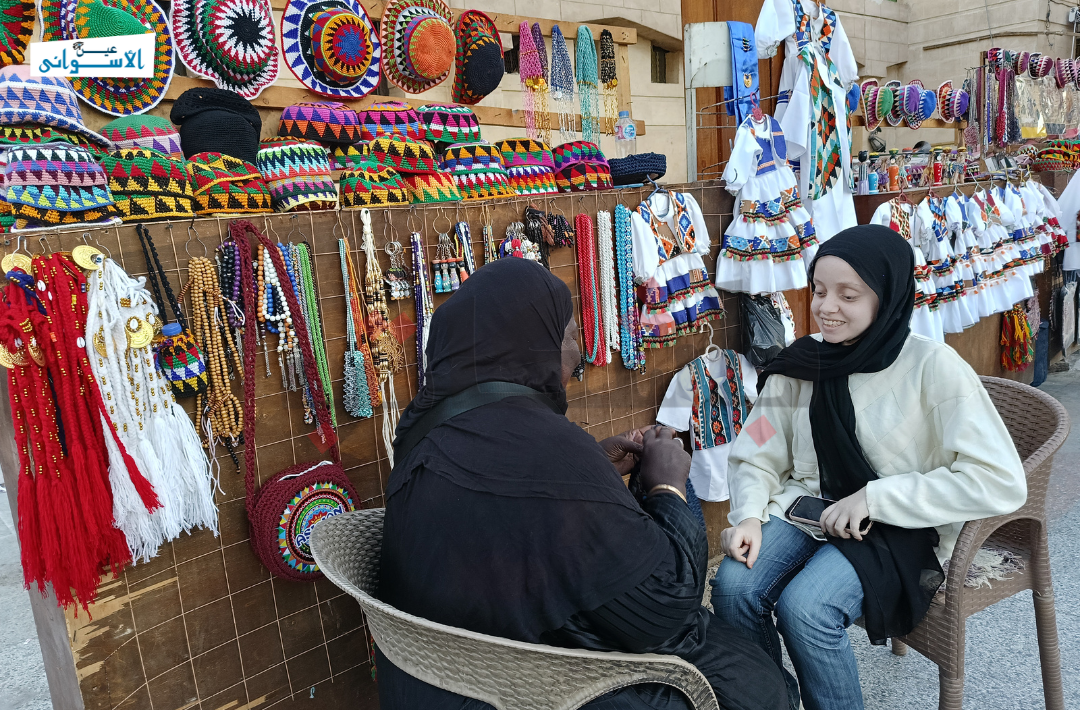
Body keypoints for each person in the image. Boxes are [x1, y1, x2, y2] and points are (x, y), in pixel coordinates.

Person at [378, 258, 788, 710]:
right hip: (536, 686)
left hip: (441, 677)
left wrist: (591, 468)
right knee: (756, 682)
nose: (578, 356)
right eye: (570, 335)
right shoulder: (545, 451)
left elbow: (515, 508)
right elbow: (664, 608)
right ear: (531, 346)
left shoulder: (421, 432)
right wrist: (667, 486)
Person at [711, 225, 1027, 710]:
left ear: (888, 298)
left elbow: (999, 478)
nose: (825, 307)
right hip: (808, 506)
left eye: (848, 294)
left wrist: (877, 498)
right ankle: (770, 700)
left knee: (807, 608)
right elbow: (755, 447)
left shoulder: (933, 368)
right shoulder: (802, 363)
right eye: (818, 290)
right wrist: (749, 513)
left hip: (900, 525)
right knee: (733, 588)